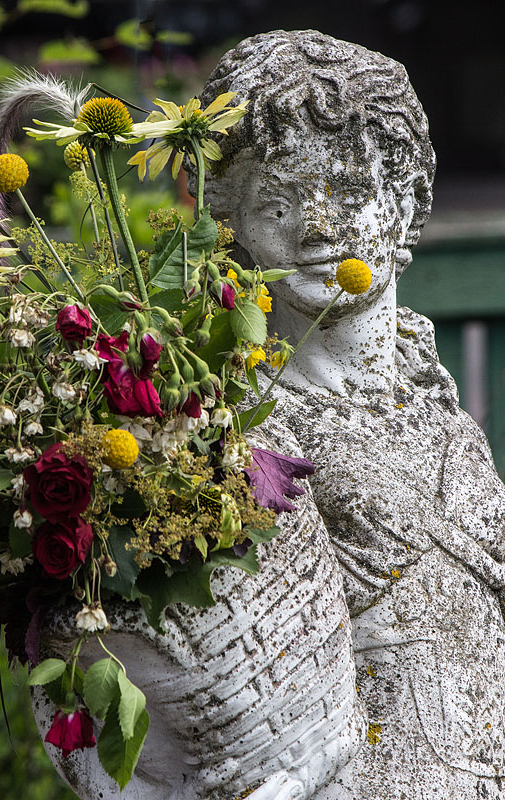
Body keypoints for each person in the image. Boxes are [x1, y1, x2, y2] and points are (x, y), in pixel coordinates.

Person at [199, 29, 505, 799]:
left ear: (405, 202)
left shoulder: (434, 404)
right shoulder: (239, 434)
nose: (316, 227)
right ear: (229, 222)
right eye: (276, 200)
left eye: (348, 190)